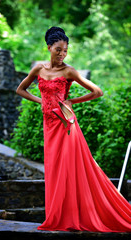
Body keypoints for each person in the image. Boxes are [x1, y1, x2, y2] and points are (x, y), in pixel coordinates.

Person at [16, 26, 131, 232]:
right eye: (58, 49)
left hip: (65, 125)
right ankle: (58, 215)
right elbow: (20, 89)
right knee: (54, 170)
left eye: (65, 50)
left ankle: (74, 216)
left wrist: (71, 101)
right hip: (49, 126)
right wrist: (40, 101)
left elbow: (97, 91)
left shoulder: (68, 71)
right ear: (49, 47)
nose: (62, 54)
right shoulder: (38, 69)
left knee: (70, 169)